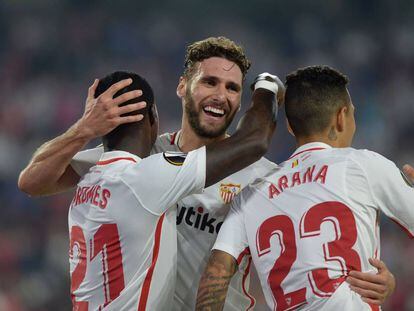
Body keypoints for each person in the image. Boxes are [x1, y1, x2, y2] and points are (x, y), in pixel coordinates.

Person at [18, 37, 397, 310]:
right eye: (210, 82)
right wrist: (84, 129)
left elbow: (315, 244)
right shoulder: (138, 161)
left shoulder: (266, 178)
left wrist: (374, 279)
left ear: (240, 102)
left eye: (233, 88)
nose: (222, 95)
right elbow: (34, 181)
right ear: (183, 86)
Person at [26, 68, 280, 310]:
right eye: (209, 82)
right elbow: (253, 142)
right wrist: (267, 84)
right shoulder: (148, 175)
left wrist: (83, 128)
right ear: (153, 118)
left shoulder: (89, 176)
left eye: (231, 87)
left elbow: (29, 181)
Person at [196, 65, 414, 310]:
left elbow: (214, 277)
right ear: (342, 117)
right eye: (353, 113)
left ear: (290, 126)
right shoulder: (362, 164)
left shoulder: (251, 194)